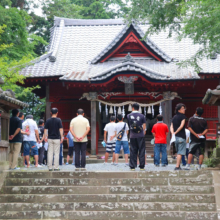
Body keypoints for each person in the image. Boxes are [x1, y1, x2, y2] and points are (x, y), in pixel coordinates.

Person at [127, 103, 146, 171]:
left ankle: (132, 166)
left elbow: (129, 125)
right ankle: (142, 166)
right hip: (140, 135)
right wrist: (140, 131)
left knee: (133, 150)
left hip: (132, 135)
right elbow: (144, 126)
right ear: (138, 109)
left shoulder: (128, 115)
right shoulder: (142, 116)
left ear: (132, 108)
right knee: (141, 150)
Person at [170, 103, 187, 170]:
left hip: (175, 137)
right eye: (183, 108)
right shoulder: (183, 117)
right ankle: (177, 166)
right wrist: (176, 132)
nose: (184, 110)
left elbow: (171, 126)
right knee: (180, 152)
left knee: (178, 152)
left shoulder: (174, 117)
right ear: (179, 110)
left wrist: (173, 133)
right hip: (181, 136)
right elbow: (181, 126)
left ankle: (178, 165)